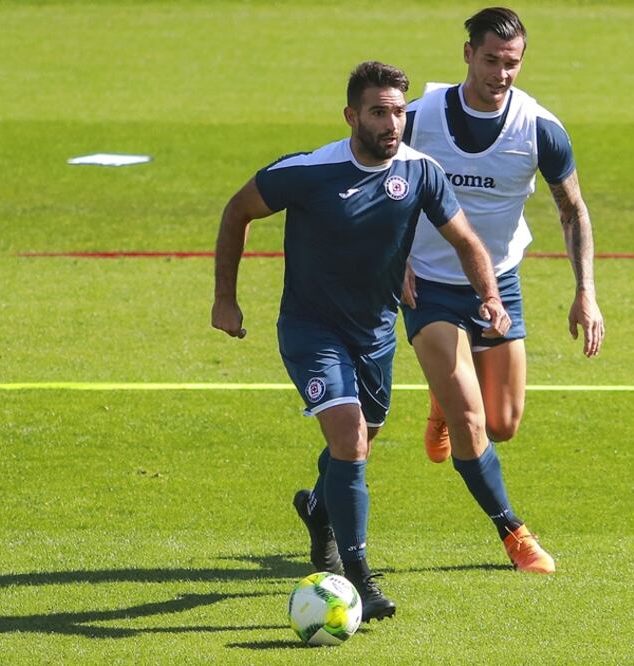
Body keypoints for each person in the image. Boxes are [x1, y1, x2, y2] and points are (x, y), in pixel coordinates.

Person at [211, 61, 510, 622]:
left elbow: (466, 239)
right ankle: (359, 578)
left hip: (374, 332)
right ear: (352, 115)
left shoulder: (421, 172)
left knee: (361, 442)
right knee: (350, 441)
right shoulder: (308, 171)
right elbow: (237, 211)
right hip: (310, 329)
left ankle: (320, 508)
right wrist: (225, 298)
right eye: (379, 112)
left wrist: (489, 297)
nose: (391, 123)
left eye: (398, 111)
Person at [399, 7, 606, 574]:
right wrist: (392, 262)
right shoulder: (418, 119)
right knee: (471, 422)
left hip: (499, 285)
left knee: (502, 424)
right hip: (430, 286)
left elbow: (572, 211)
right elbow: (370, 187)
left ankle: (440, 398)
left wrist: (584, 291)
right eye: (490, 59)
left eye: (511, 63)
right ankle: (513, 532)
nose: (500, 73)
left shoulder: (540, 130)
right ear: (467, 54)